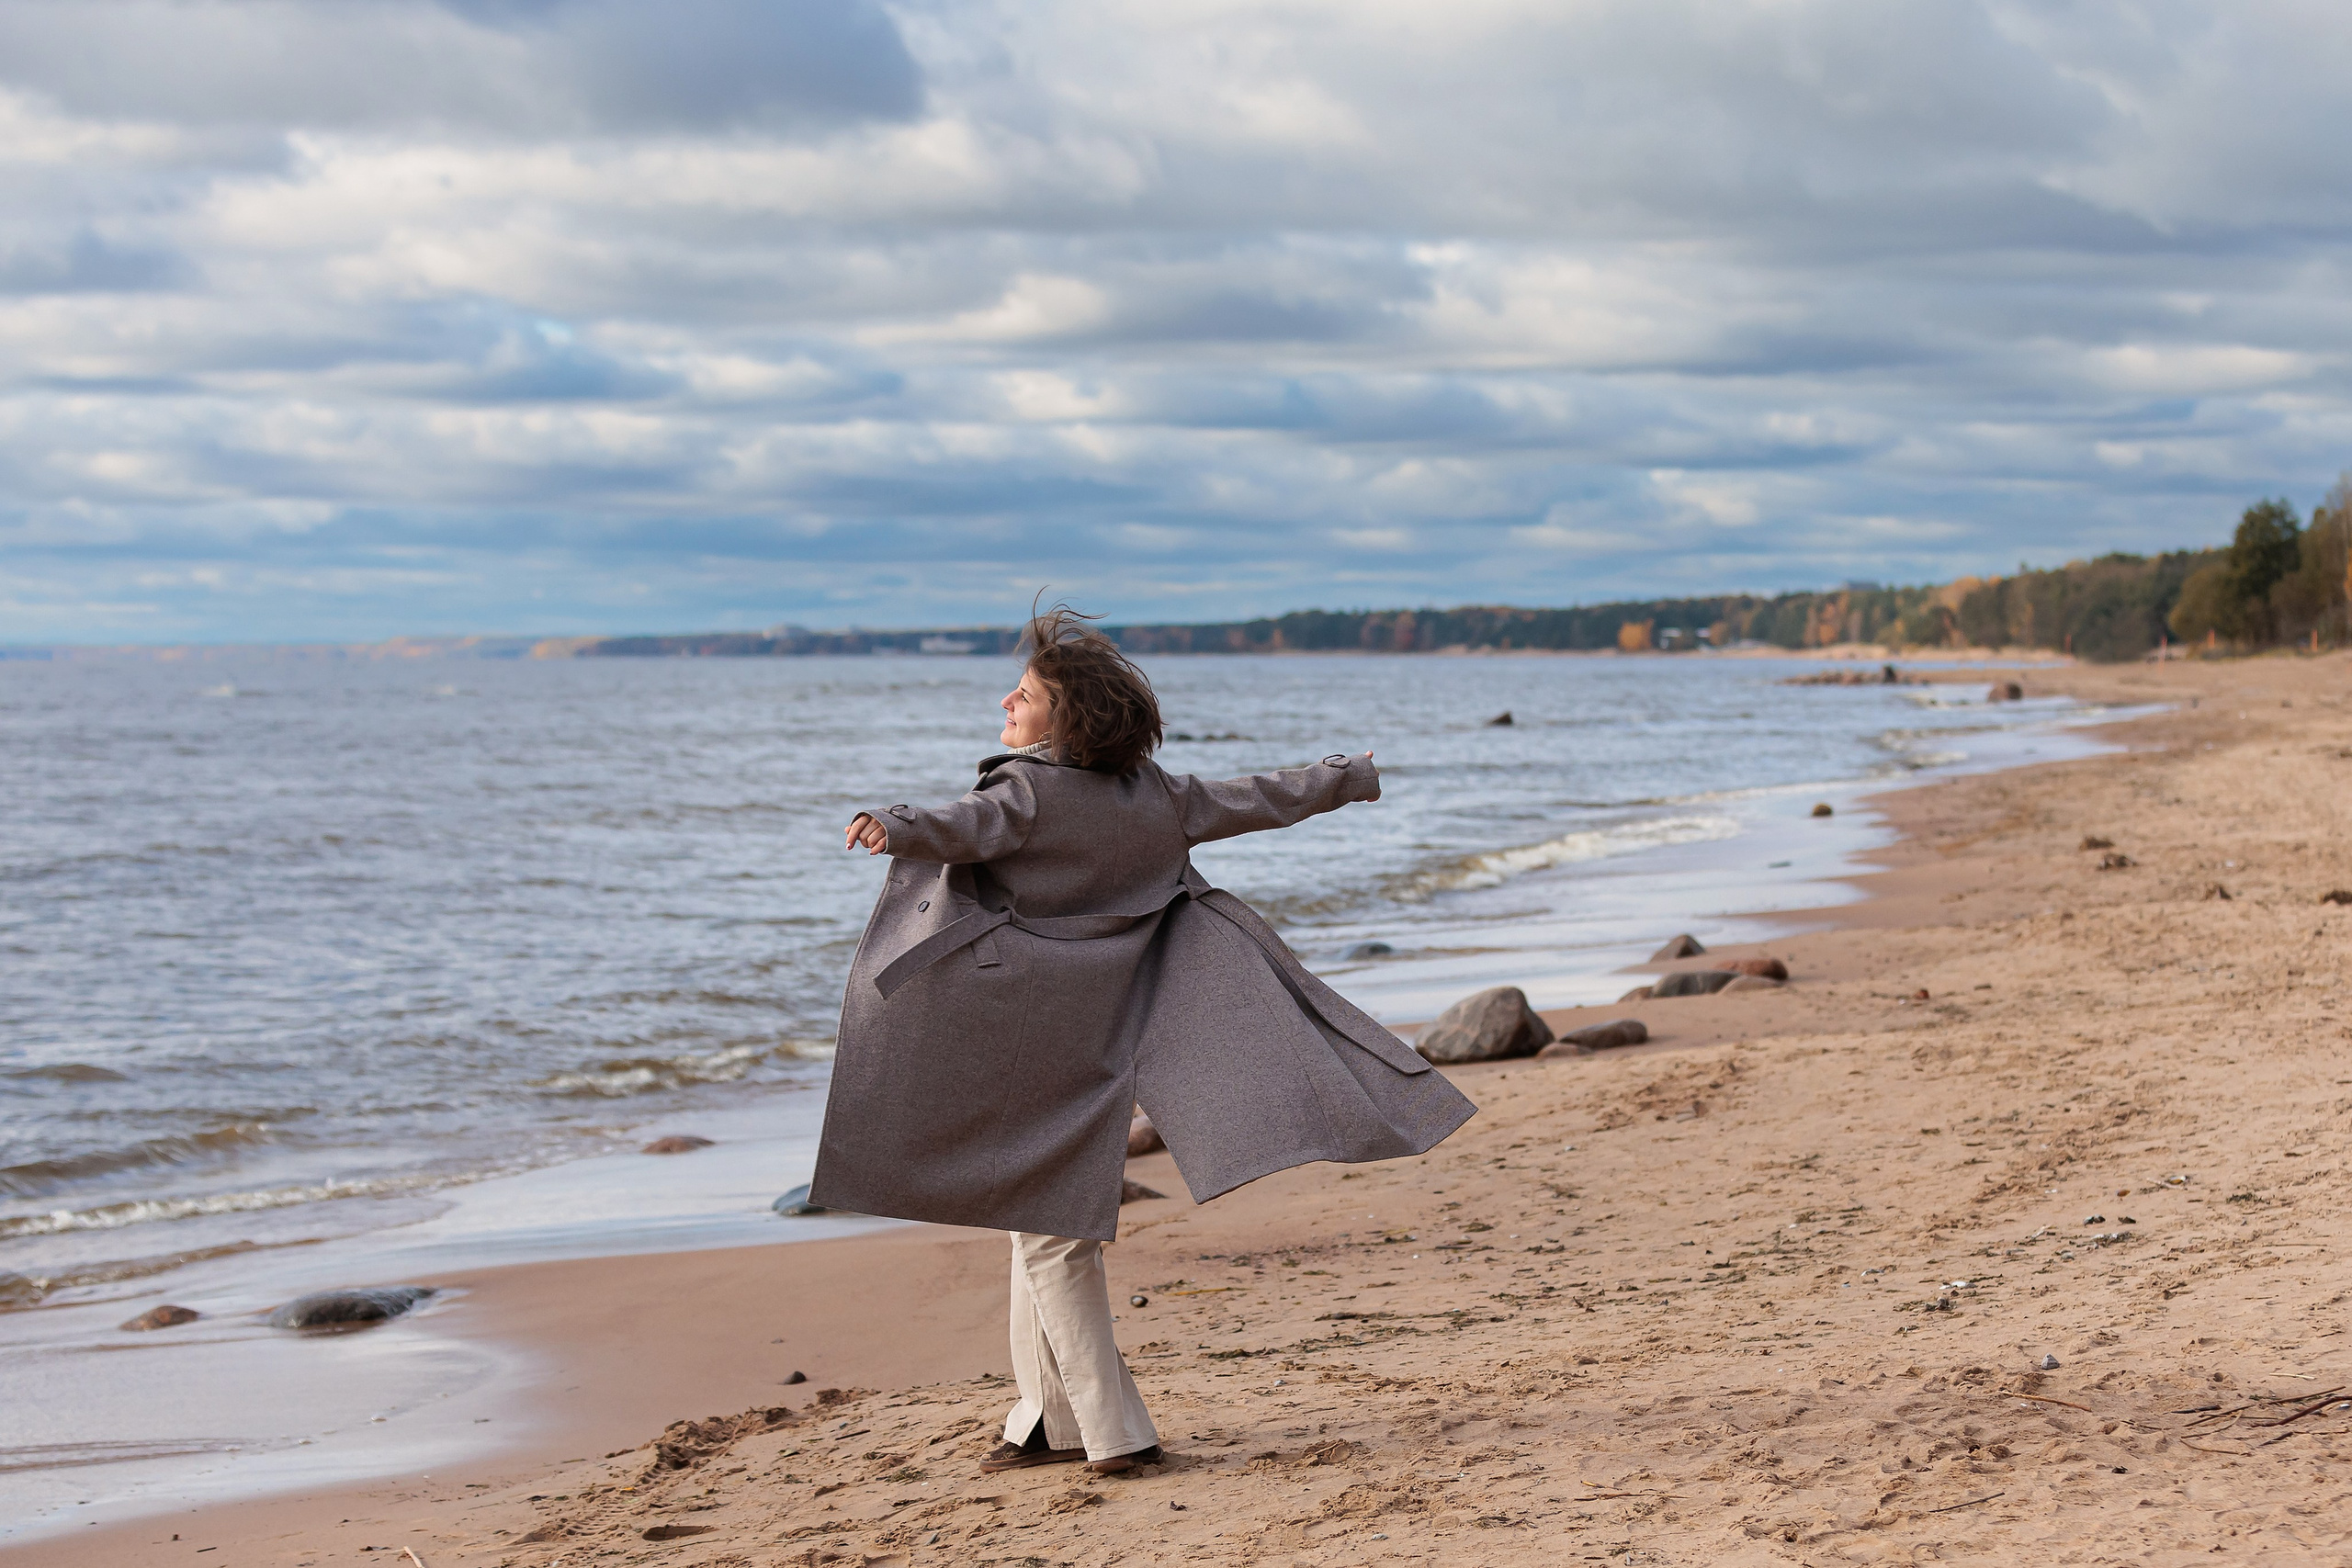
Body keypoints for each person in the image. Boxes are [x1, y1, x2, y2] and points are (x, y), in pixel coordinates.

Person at [809, 605, 1475, 1476]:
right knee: (1036, 1220)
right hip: (1113, 1024)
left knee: (1051, 1235)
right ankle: (1043, 1419)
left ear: (1067, 719)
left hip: (1024, 1032)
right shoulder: (1157, 795)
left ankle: (1117, 1433)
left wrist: (888, 823)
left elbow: (956, 826)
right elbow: (1260, 797)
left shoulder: (1023, 793)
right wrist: (1341, 775)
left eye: (1025, 693)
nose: (1007, 700)